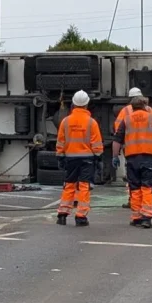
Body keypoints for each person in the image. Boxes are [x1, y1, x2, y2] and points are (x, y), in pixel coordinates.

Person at [112, 96, 152, 229]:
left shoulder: (126, 120)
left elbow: (117, 139)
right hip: (149, 159)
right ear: (145, 105)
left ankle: (136, 217)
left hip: (132, 159)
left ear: (132, 107)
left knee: (134, 188)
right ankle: (146, 217)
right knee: (147, 187)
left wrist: (115, 156)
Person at [55, 90, 103, 226]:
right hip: (87, 159)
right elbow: (97, 143)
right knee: (84, 187)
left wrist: (60, 157)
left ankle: (62, 214)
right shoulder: (91, 123)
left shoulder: (65, 122)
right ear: (87, 104)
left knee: (69, 185)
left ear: (74, 104)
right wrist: (98, 158)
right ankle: (81, 216)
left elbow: (60, 142)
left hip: (70, 158)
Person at [113, 87, 152, 209]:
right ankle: (146, 202)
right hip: (149, 150)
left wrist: (117, 151)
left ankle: (133, 201)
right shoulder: (150, 110)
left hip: (131, 150)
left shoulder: (125, 111)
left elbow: (118, 130)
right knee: (148, 180)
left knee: (133, 179)